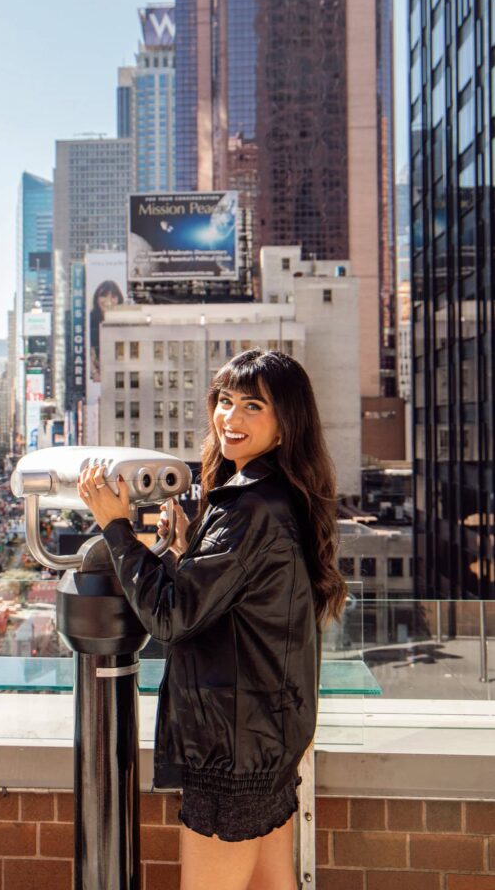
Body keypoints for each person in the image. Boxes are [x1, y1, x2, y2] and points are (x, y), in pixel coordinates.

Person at [78, 348, 346, 890]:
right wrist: (184, 550)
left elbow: (169, 617)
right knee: (273, 882)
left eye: (252, 406)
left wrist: (115, 528)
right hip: (269, 735)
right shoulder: (279, 496)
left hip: (232, 749)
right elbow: (229, 601)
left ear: (285, 422)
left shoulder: (246, 509)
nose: (231, 418)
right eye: (225, 402)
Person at [89, 279, 124, 382]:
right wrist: (94, 372)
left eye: (113, 297)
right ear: (96, 298)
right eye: (103, 295)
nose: (108, 301)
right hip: (95, 376)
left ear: (119, 300)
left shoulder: (125, 319)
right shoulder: (89, 320)